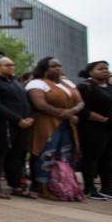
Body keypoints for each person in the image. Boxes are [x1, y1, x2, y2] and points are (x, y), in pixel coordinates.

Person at [26, 57, 83, 198]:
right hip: (47, 124)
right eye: (53, 66)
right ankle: (43, 187)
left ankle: (64, 185)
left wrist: (72, 112)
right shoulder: (37, 83)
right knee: (46, 155)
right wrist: (64, 113)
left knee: (65, 155)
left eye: (59, 65)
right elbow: (40, 104)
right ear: (44, 68)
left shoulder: (67, 83)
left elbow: (80, 102)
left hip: (67, 125)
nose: (57, 68)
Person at [0, 56, 32, 199]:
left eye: (12, 65)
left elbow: (25, 102)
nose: (11, 67)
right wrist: (18, 120)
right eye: (7, 65)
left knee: (16, 156)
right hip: (2, 125)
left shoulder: (15, 82)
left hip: (21, 125)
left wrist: (28, 117)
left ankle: (15, 185)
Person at [76, 61, 112, 200]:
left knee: (109, 158)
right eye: (100, 68)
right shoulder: (85, 87)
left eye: (106, 68)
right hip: (94, 128)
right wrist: (100, 119)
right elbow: (81, 108)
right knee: (92, 158)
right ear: (90, 72)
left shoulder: (111, 87)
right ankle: (89, 188)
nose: (104, 70)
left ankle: (108, 187)